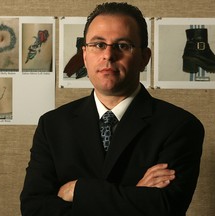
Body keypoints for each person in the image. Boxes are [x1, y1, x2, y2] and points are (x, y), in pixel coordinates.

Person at [20, 2, 205, 216]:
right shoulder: (52, 125)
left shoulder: (179, 126)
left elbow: (165, 208)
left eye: (123, 45)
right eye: (98, 45)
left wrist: (78, 190)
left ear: (144, 58)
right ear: (84, 55)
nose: (108, 55)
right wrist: (134, 195)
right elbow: (34, 209)